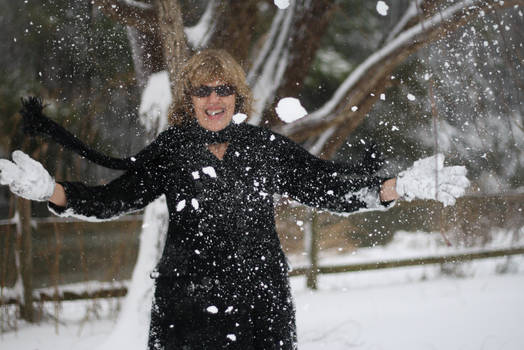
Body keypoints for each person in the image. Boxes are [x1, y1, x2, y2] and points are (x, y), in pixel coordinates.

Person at [0, 49, 469, 349]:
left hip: (260, 309)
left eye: (223, 88)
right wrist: (52, 192)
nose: (213, 99)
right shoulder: (171, 149)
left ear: (237, 95)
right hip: (185, 311)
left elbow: (327, 186)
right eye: (202, 91)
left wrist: (395, 188)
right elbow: (112, 200)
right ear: (190, 99)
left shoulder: (265, 148)